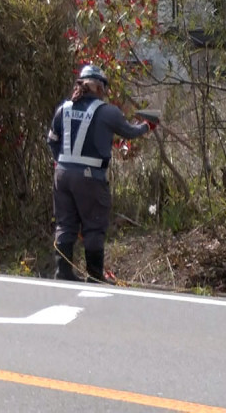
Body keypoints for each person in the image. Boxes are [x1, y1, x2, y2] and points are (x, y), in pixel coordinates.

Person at [47, 64, 155, 283]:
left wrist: (62, 163)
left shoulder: (64, 108)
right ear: (99, 87)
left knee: (65, 224)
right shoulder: (108, 112)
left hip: (63, 174)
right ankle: (95, 275)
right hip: (91, 177)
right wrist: (148, 126)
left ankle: (63, 272)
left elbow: (52, 141)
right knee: (94, 226)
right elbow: (130, 132)